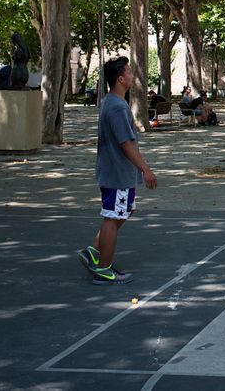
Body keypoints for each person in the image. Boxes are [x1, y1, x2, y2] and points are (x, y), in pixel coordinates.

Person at [77, 56, 157, 284]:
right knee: (112, 218)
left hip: (118, 173)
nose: (132, 75)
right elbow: (126, 143)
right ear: (121, 79)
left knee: (124, 211)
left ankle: (94, 250)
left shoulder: (113, 102)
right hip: (117, 174)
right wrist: (146, 169)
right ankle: (104, 269)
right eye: (129, 72)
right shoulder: (117, 107)